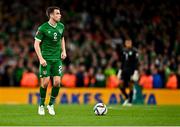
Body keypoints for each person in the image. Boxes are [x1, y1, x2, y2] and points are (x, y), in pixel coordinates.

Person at [34, 6, 67, 115]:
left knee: (57, 82)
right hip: (46, 59)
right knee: (45, 83)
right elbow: (36, 44)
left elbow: (62, 38)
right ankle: (41, 105)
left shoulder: (61, 26)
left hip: (57, 59)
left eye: (59, 13)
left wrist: (64, 51)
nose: (60, 15)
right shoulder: (43, 28)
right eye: (57, 13)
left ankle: (51, 104)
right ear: (51, 15)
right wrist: (41, 59)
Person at [117, 38, 139, 106]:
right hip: (124, 70)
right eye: (127, 42)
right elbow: (122, 61)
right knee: (120, 85)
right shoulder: (124, 50)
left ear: (131, 43)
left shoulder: (134, 51)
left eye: (129, 42)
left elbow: (136, 62)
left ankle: (130, 101)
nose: (128, 44)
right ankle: (126, 97)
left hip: (131, 71)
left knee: (130, 85)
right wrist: (120, 71)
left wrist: (135, 71)